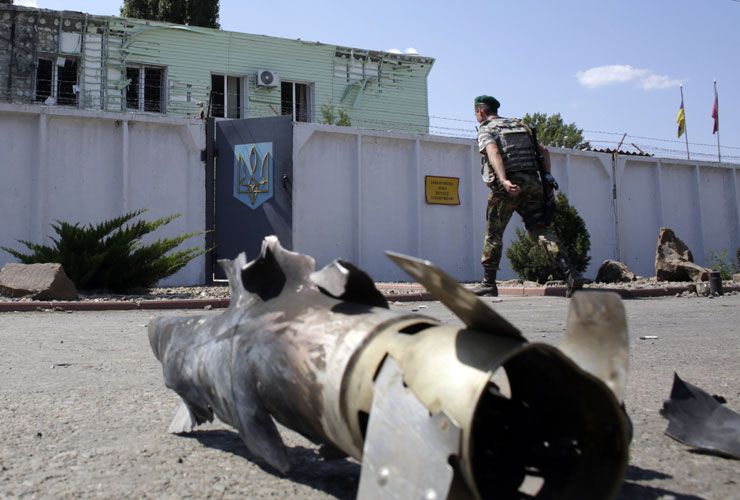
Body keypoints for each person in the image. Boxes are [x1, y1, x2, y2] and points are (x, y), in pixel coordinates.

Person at [470, 95, 583, 297]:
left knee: (494, 234)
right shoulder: (521, 126)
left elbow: (493, 151)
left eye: (475, 112)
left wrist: (504, 180)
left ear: (480, 111)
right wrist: (547, 180)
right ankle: (571, 273)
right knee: (540, 229)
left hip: (508, 187)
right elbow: (544, 151)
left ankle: (488, 283)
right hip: (533, 183)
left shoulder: (487, 128)